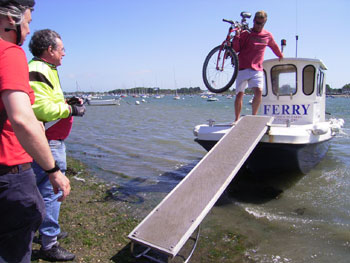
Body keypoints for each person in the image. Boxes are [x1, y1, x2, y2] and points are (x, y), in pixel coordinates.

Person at [0, 1, 71, 262]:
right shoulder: (10, 53)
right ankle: (49, 241)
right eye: (27, 22)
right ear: (11, 18)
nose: (28, 31)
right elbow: (23, 116)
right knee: (24, 228)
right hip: (10, 167)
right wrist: (54, 171)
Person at [28, 29, 85, 261]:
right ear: (49, 50)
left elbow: (45, 101)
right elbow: (38, 109)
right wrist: (70, 109)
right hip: (48, 141)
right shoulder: (39, 69)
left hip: (51, 139)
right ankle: (49, 242)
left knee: (41, 190)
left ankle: (45, 232)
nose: (64, 53)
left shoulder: (45, 69)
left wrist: (65, 102)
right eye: (61, 49)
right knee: (52, 192)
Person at [232, 10, 283, 121]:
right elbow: (236, 49)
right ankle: (236, 119)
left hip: (257, 69)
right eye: (258, 23)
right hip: (242, 68)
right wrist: (236, 36)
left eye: (262, 24)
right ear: (254, 21)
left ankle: (253, 117)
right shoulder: (246, 33)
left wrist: (280, 55)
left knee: (259, 92)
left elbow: (274, 46)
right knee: (239, 94)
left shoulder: (267, 35)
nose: (259, 26)